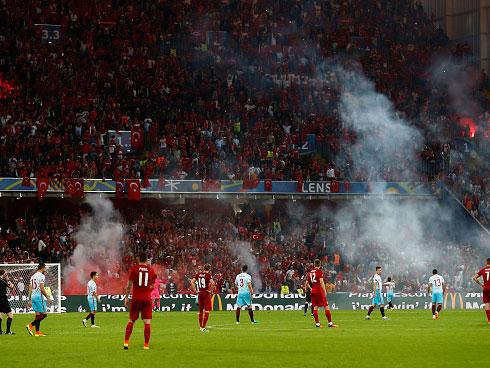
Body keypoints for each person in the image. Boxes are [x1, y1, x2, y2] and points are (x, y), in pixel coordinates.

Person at [123, 252, 157, 350]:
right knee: (147, 322)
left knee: (131, 320)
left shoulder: (134, 269)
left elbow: (129, 285)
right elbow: (152, 286)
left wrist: (126, 297)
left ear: (138, 259)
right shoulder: (151, 270)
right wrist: (146, 291)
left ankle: (126, 343)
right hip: (146, 298)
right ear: (146, 260)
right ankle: (146, 345)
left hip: (136, 298)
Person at [305, 259, 337, 328]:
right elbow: (321, 282)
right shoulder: (319, 271)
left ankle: (317, 324)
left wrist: (311, 289)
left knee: (315, 307)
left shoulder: (310, 272)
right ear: (320, 265)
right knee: (326, 306)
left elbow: (306, 284)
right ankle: (330, 323)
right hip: (319, 290)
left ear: (314, 264)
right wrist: (325, 291)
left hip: (313, 291)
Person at [26, 263, 51, 336]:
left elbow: (30, 289)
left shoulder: (33, 276)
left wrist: (29, 299)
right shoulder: (42, 276)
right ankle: (30, 325)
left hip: (33, 296)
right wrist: (48, 298)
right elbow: (42, 289)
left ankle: (37, 332)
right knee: (44, 314)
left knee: (38, 315)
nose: (45, 269)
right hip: (38, 297)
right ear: (42, 268)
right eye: (45, 268)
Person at [190, 264, 215, 332]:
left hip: (200, 293)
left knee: (200, 311)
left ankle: (201, 327)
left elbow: (192, 282)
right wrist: (211, 291)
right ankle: (203, 327)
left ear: (203, 268)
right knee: (206, 311)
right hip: (206, 294)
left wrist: (195, 290)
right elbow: (213, 283)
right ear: (209, 269)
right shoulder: (208, 275)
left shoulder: (198, 274)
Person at [472, 257, 490, 323]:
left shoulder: (483, 270)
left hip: (485, 288)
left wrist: (481, 284)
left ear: (486, 262)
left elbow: (474, 278)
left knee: (487, 303)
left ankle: (489, 320)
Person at [0, 270, 15, 334]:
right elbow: (12, 287)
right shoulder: (3, 280)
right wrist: (8, 279)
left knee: (0, 315)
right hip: (3, 300)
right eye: (5, 274)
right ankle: (8, 331)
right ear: (3, 274)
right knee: (10, 315)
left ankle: (0, 331)